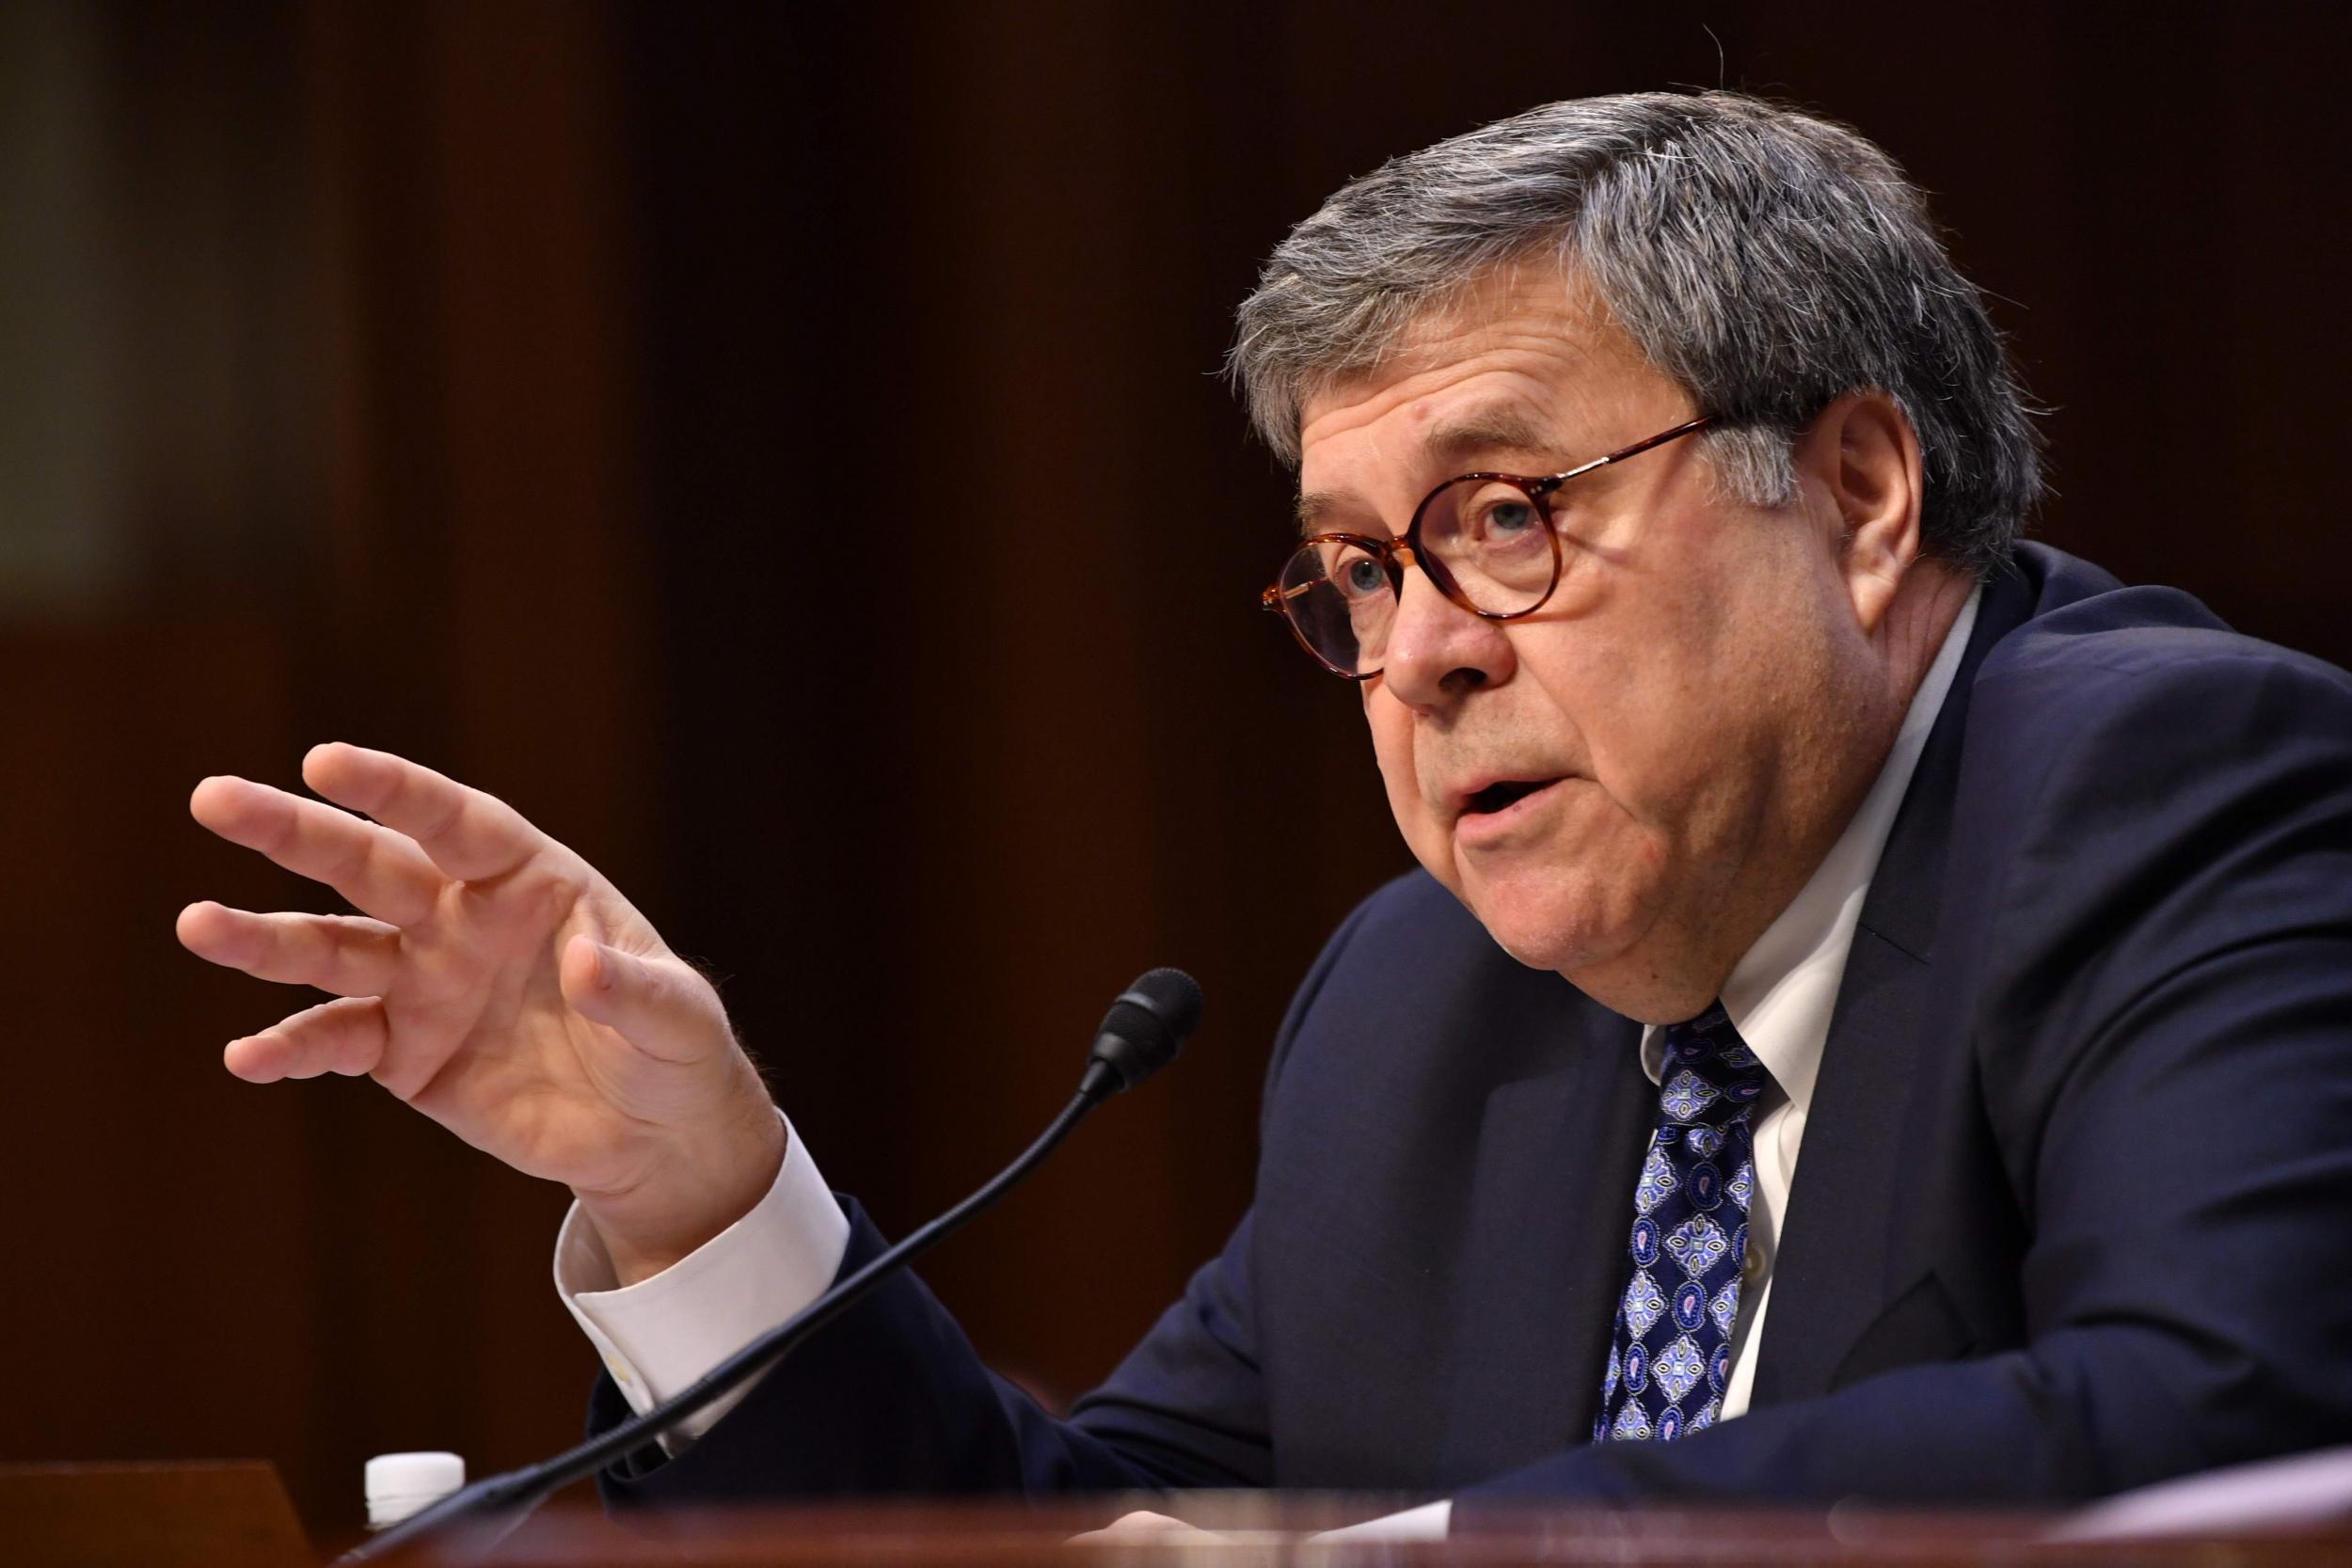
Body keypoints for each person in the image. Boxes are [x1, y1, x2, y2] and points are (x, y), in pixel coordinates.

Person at [179, 91, 2352, 1531]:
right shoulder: (1425, 1002)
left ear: (1857, 496)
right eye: (1360, 572)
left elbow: (2229, 1411)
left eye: (1501, 517)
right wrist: (696, 1193)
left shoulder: (2167, 793)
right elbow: (1087, 1550)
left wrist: (1424, 1557)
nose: (1419, 656)